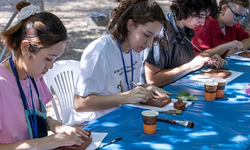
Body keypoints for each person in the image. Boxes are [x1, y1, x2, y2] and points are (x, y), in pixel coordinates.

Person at [0, 1, 89, 149]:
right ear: (26, 47)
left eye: (55, 60)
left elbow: (28, 119)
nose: (51, 66)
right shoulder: (2, 85)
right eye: (48, 59)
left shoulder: (34, 76)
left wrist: (54, 124)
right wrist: (41, 143)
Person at [70, 0, 171, 124]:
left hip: (122, 116)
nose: (149, 44)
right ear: (130, 25)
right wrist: (125, 97)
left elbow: (122, 87)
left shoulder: (135, 49)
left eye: (154, 38)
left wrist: (145, 87)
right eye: (146, 35)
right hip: (94, 124)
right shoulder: (99, 52)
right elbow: (80, 104)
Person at [140, 0, 225, 87]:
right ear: (187, 9)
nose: (202, 23)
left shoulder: (185, 28)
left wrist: (206, 62)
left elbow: (181, 67)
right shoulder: (162, 33)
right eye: (200, 16)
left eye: (205, 17)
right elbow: (152, 81)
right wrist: (191, 66)